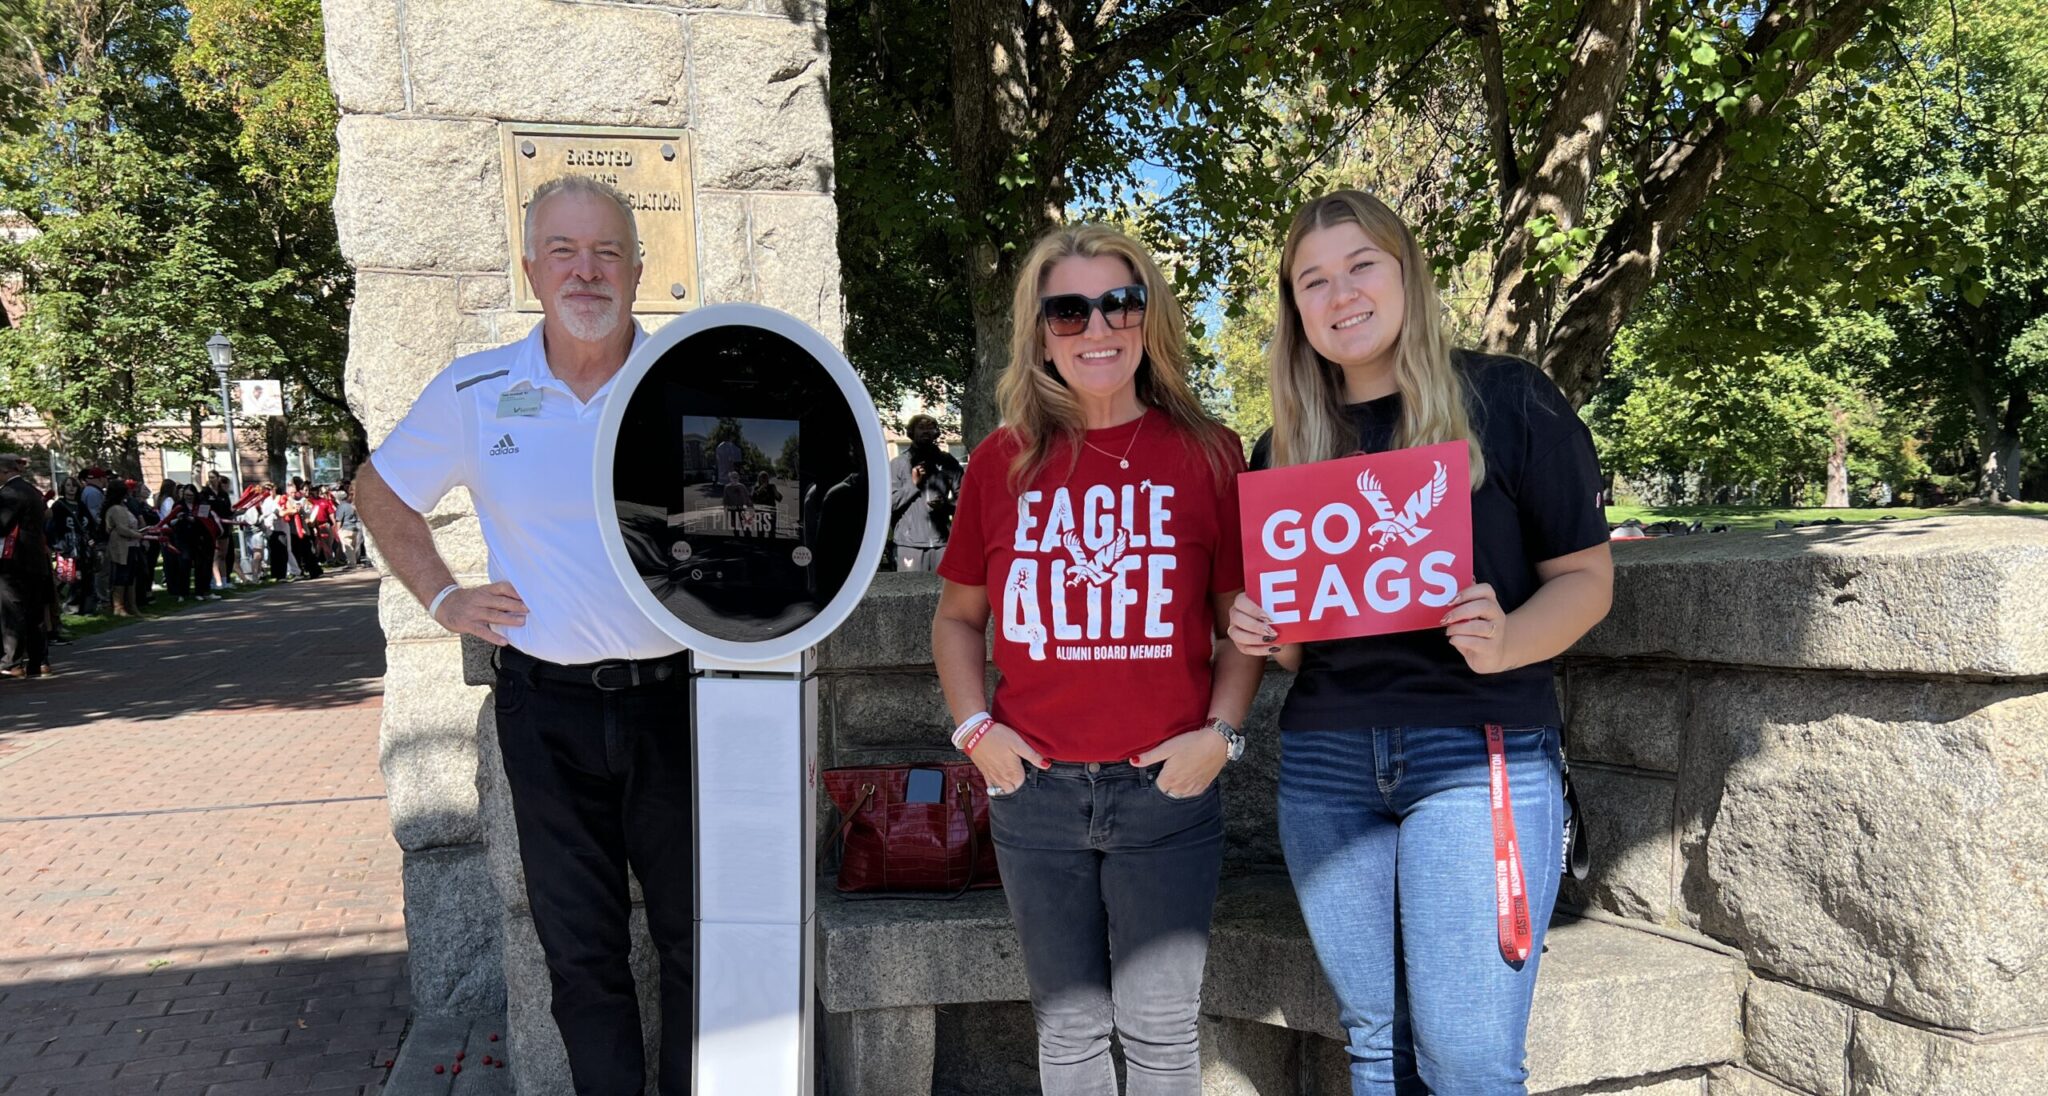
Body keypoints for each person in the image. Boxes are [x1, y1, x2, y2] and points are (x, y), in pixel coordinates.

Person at [1225, 190, 1614, 1096]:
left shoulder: (1511, 401)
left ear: (1407, 275)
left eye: (1362, 266)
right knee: (1376, 1048)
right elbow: (1291, 649)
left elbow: (1588, 581)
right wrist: (1262, 629)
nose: (1340, 294)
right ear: (1296, 308)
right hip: (1326, 765)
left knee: (1469, 1061)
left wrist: (1510, 637)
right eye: (1312, 280)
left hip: (1477, 755)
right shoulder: (1281, 448)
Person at [353, 173, 694, 1095]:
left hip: (684, 708)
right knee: (580, 952)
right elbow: (379, 493)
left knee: (698, 940)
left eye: (607, 252)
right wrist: (441, 599)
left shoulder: (689, 382)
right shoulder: (478, 389)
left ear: (638, 268)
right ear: (531, 268)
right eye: (564, 252)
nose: (587, 272)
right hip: (546, 710)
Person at [932, 224, 1266, 1095]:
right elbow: (959, 619)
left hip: (1165, 792)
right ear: (1040, 331)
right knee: (1070, 1030)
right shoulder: (1000, 463)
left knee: (1160, 1034)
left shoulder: (1208, 453)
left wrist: (1221, 737)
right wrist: (975, 732)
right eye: (1069, 310)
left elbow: (1243, 625)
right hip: (1033, 793)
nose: (1097, 327)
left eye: (1120, 302)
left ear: (1148, 316)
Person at [887, 414, 963, 572]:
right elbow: (889, 504)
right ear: (911, 432)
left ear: (936, 432)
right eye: (921, 427)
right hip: (909, 544)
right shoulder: (898, 464)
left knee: (941, 593)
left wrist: (946, 506)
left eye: (930, 427)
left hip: (942, 542)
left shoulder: (948, 462)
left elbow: (966, 500)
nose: (926, 431)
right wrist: (913, 484)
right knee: (909, 593)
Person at [0, 454, 52, 679]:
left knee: (12, 610)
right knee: (35, 612)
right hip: (35, 558)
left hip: (14, 560)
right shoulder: (32, 491)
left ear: (4, 471)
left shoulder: (9, 494)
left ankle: (12, 662)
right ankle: (39, 661)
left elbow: (1, 524)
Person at [47, 477, 94, 615]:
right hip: (67, 546)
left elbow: (90, 524)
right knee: (71, 577)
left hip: (83, 546)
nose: (71, 488)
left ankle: (86, 607)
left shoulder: (81, 505)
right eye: (68, 485)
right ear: (63, 488)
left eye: (74, 485)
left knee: (86, 577)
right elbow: (52, 528)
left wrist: (92, 538)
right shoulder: (59, 505)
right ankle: (71, 606)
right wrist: (58, 545)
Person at [102, 480, 143, 617]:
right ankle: (119, 606)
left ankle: (132, 605)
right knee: (121, 576)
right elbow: (121, 528)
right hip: (121, 546)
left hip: (131, 545)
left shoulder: (124, 507)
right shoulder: (115, 509)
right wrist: (138, 534)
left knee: (130, 576)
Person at [334, 486, 365, 570]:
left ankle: (352, 564)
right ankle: (353, 562)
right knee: (353, 546)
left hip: (345, 528)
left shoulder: (340, 507)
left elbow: (339, 520)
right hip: (354, 528)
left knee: (347, 547)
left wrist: (337, 530)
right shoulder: (351, 506)